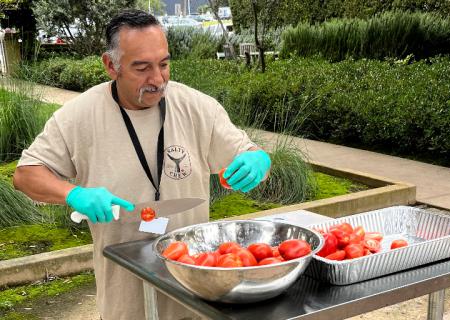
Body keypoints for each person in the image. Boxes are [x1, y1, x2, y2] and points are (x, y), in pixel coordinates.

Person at [13, 9, 271, 320]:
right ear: (111, 65)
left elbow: (247, 152)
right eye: (142, 68)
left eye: (164, 64)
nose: (158, 79)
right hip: (125, 296)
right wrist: (72, 194)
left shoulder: (198, 107)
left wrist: (257, 160)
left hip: (198, 291)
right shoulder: (77, 117)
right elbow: (27, 174)